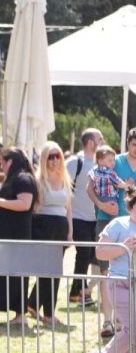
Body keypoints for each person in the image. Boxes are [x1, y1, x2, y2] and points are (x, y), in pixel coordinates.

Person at [0, 148, 37, 328]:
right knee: (0, 274)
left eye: (3, 162)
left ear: (10, 161)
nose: (1, 166)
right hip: (4, 238)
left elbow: (25, 204)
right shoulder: (14, 180)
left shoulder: (23, 179)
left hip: (12, 239)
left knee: (10, 275)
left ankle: (14, 315)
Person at [93, 186, 136, 353]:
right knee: (132, 329)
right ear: (131, 207)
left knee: (133, 334)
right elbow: (100, 252)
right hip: (120, 282)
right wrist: (125, 247)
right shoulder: (118, 224)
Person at [26, 142, 74, 325]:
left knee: (55, 270)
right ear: (45, 159)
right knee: (46, 270)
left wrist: (70, 232)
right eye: (51, 156)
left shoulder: (65, 180)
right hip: (42, 226)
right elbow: (35, 207)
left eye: (58, 156)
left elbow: (69, 208)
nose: (54, 160)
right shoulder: (38, 181)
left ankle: (33, 304)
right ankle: (48, 313)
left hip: (60, 226)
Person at [69, 129, 105, 306]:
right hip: (77, 217)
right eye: (100, 139)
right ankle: (77, 292)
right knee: (83, 253)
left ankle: (81, 293)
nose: (103, 141)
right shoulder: (76, 162)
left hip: (94, 219)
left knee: (91, 255)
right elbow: (64, 185)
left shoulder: (100, 164)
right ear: (91, 143)